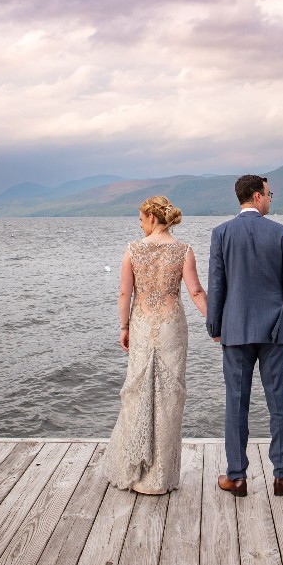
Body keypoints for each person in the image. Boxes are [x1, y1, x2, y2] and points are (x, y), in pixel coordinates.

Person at [103, 194, 207, 494]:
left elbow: (125, 295)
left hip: (142, 326)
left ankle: (136, 473)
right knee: (170, 398)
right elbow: (196, 292)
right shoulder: (184, 250)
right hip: (172, 328)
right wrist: (217, 322)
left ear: (151, 218)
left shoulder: (133, 250)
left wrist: (123, 327)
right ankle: (160, 479)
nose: (140, 226)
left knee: (137, 394)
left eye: (140, 220)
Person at [206, 174, 283, 497]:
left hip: (234, 330)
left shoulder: (221, 234)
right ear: (257, 196)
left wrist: (215, 327)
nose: (271, 198)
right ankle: (280, 475)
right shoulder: (280, 233)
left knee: (236, 405)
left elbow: (217, 286)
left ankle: (237, 477)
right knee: (279, 404)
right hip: (275, 330)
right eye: (269, 193)